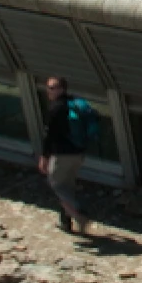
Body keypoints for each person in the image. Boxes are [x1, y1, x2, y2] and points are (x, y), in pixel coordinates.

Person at [38, 75, 93, 235]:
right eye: (48, 87)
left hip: (62, 155)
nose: (49, 90)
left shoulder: (56, 108)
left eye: (52, 87)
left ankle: (79, 213)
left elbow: (50, 136)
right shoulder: (74, 104)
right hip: (78, 153)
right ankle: (66, 222)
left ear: (62, 89)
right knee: (67, 186)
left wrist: (44, 156)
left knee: (57, 185)